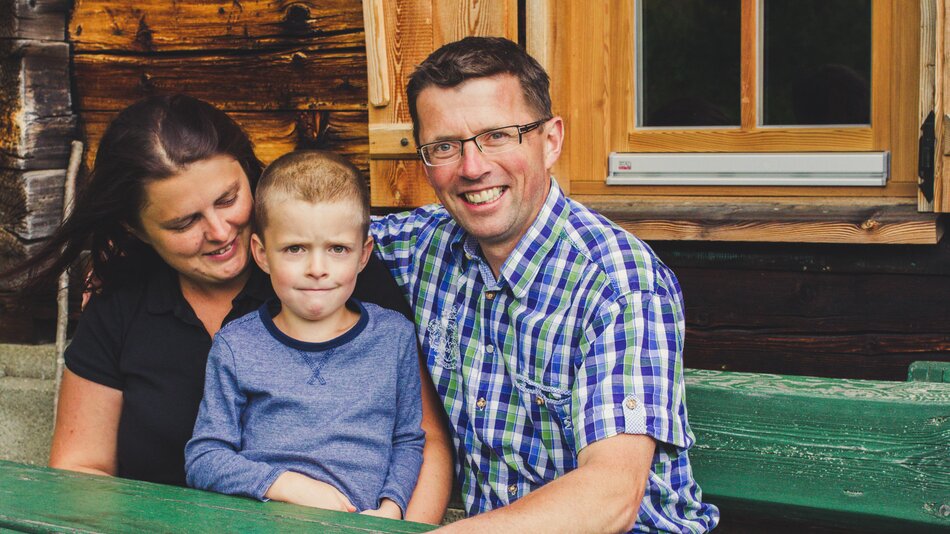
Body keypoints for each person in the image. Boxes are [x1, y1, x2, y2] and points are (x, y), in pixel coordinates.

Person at [1, 94, 452, 523]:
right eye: (184, 222)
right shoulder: (121, 302)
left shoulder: (333, 277)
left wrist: (397, 529)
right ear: (135, 229)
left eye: (228, 199)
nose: (219, 231)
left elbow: (421, 439)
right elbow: (80, 469)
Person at [370, 37, 720, 532]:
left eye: (497, 136)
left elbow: (611, 496)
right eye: (444, 146)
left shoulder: (619, 284)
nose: (472, 168)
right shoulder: (423, 247)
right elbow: (307, 228)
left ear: (551, 140)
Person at [185, 151, 424, 520]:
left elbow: (407, 440)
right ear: (262, 255)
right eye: (295, 249)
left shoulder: (394, 338)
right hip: (260, 523)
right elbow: (204, 458)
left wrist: (391, 509)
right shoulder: (236, 345)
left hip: (361, 525)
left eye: (337, 249)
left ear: (364, 255)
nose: (317, 269)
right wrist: (287, 485)